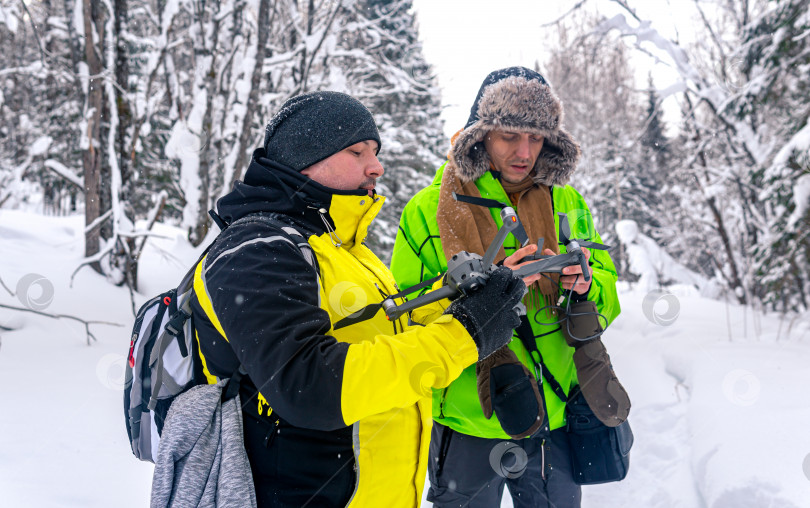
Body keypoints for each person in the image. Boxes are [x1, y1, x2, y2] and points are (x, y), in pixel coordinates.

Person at [188, 91, 527, 508]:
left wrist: (464, 306)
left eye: (376, 151)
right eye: (357, 151)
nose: (377, 166)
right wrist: (464, 334)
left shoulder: (347, 250)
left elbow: (380, 335)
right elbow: (308, 385)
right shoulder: (256, 248)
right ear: (304, 158)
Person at [390, 67, 628, 507]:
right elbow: (407, 316)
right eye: (510, 137)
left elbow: (609, 294)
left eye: (537, 138)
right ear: (481, 136)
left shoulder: (568, 201)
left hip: (552, 419)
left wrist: (587, 288)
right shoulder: (425, 211)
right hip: (469, 420)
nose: (525, 152)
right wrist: (485, 293)